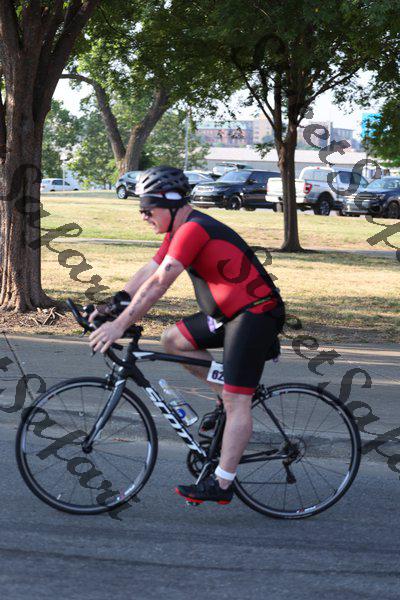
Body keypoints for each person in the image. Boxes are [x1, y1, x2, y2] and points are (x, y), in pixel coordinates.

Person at [89, 165, 285, 505]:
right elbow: (150, 270)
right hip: (226, 315)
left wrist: (120, 325)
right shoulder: (178, 231)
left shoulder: (193, 229)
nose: (143, 216)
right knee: (173, 341)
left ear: (171, 203)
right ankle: (224, 395)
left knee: (238, 401)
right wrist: (112, 305)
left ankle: (222, 484)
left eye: (148, 209)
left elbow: (159, 283)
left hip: (255, 315)